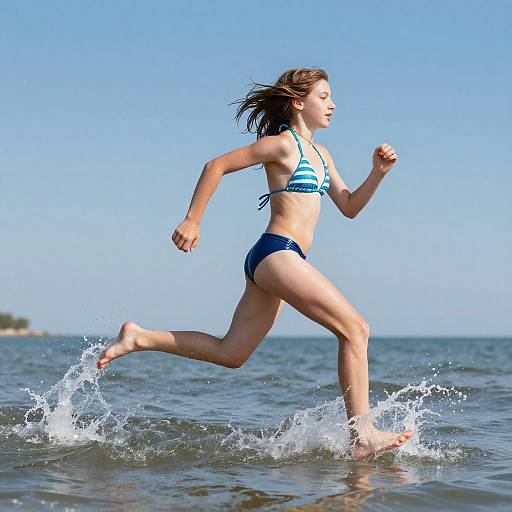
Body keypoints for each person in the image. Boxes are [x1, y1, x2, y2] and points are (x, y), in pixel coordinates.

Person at [96, 67, 415, 459]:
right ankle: (362, 434)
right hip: (276, 251)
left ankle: (140, 337)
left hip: (277, 260)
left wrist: (377, 174)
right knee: (356, 329)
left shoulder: (322, 154)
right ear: (298, 102)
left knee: (232, 353)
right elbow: (216, 165)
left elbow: (348, 207)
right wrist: (193, 219)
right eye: (324, 96)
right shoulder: (282, 145)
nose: (332, 104)